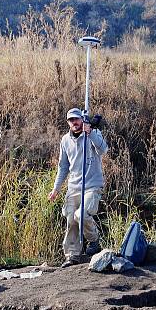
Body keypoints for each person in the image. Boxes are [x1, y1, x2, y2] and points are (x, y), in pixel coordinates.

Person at [49, 107, 108, 267]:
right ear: (68, 122)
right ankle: (72, 256)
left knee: (80, 215)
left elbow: (103, 149)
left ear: (82, 120)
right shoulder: (65, 140)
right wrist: (56, 189)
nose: (74, 122)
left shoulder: (92, 134)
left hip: (92, 185)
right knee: (71, 220)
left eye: (77, 119)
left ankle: (94, 240)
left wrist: (91, 133)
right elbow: (63, 167)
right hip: (74, 186)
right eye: (71, 120)